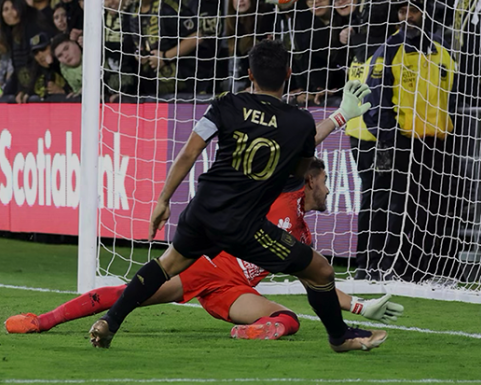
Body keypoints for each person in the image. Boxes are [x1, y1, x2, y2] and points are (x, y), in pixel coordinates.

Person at [88, 40, 386, 353]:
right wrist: (335, 120)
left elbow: (190, 152)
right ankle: (340, 337)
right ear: (288, 73)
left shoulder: (226, 105)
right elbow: (298, 174)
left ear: (249, 74)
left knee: (167, 264)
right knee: (321, 269)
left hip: (202, 210)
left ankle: (112, 321)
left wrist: (163, 200)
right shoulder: (299, 122)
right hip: (245, 225)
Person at [6, 158, 403, 337]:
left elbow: (318, 283)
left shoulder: (304, 238)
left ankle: (251, 335)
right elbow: (295, 148)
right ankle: (43, 320)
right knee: (131, 294)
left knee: (289, 321)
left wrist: (359, 306)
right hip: (208, 265)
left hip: (234, 291)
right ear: (311, 179)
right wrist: (336, 119)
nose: (330, 188)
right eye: (326, 179)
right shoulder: (283, 190)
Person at [364, 0, 457, 282]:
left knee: (435, 206)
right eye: (403, 12)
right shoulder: (389, 50)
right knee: (399, 207)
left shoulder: (441, 51)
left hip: (437, 142)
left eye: (413, 11)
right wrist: (387, 136)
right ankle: (394, 267)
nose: (408, 18)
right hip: (403, 141)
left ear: (424, 14)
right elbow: (373, 97)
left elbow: (452, 94)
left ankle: (430, 268)